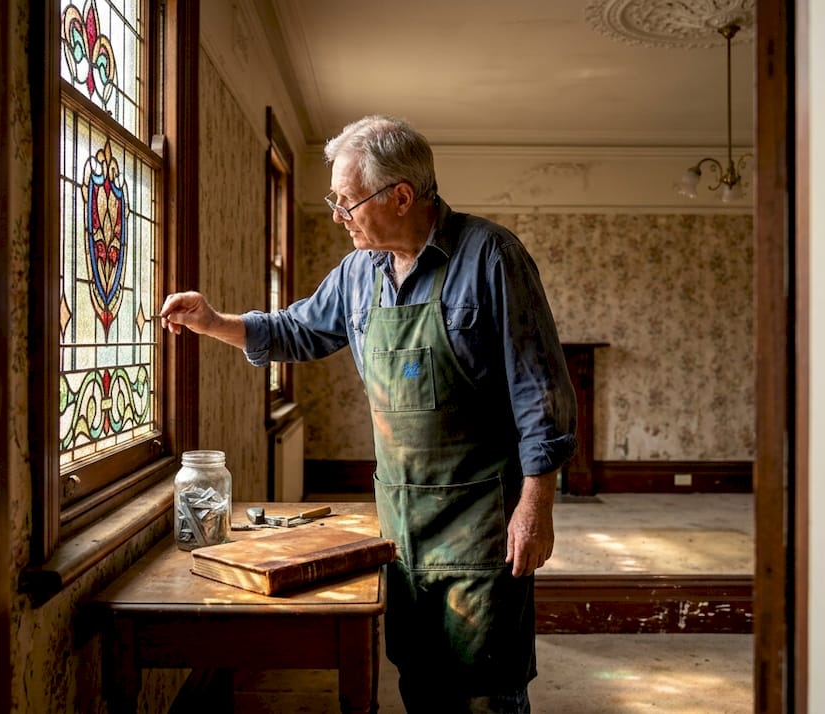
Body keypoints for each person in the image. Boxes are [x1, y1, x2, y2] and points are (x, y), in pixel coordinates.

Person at [158, 114, 577, 713]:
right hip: (401, 520)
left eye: (348, 199)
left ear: (401, 196)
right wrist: (214, 322)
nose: (338, 214)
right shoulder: (359, 274)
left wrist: (537, 505)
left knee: (488, 688)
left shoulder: (492, 257)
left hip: (484, 521)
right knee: (418, 677)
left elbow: (541, 390)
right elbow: (296, 330)